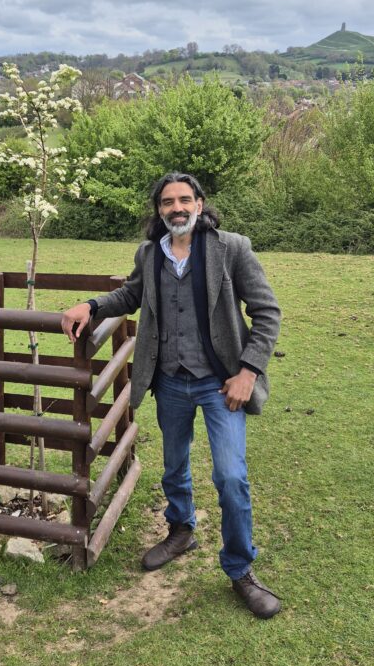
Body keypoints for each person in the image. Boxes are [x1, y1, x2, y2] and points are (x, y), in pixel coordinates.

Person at [61, 171, 282, 618]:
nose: (176, 208)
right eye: (167, 202)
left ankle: (240, 569)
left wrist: (248, 370)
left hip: (221, 382)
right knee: (175, 463)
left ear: (200, 204)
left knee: (230, 476)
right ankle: (181, 530)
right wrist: (91, 305)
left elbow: (267, 312)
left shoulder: (231, 248)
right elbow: (132, 295)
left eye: (185, 199)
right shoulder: (150, 254)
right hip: (169, 380)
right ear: (159, 210)